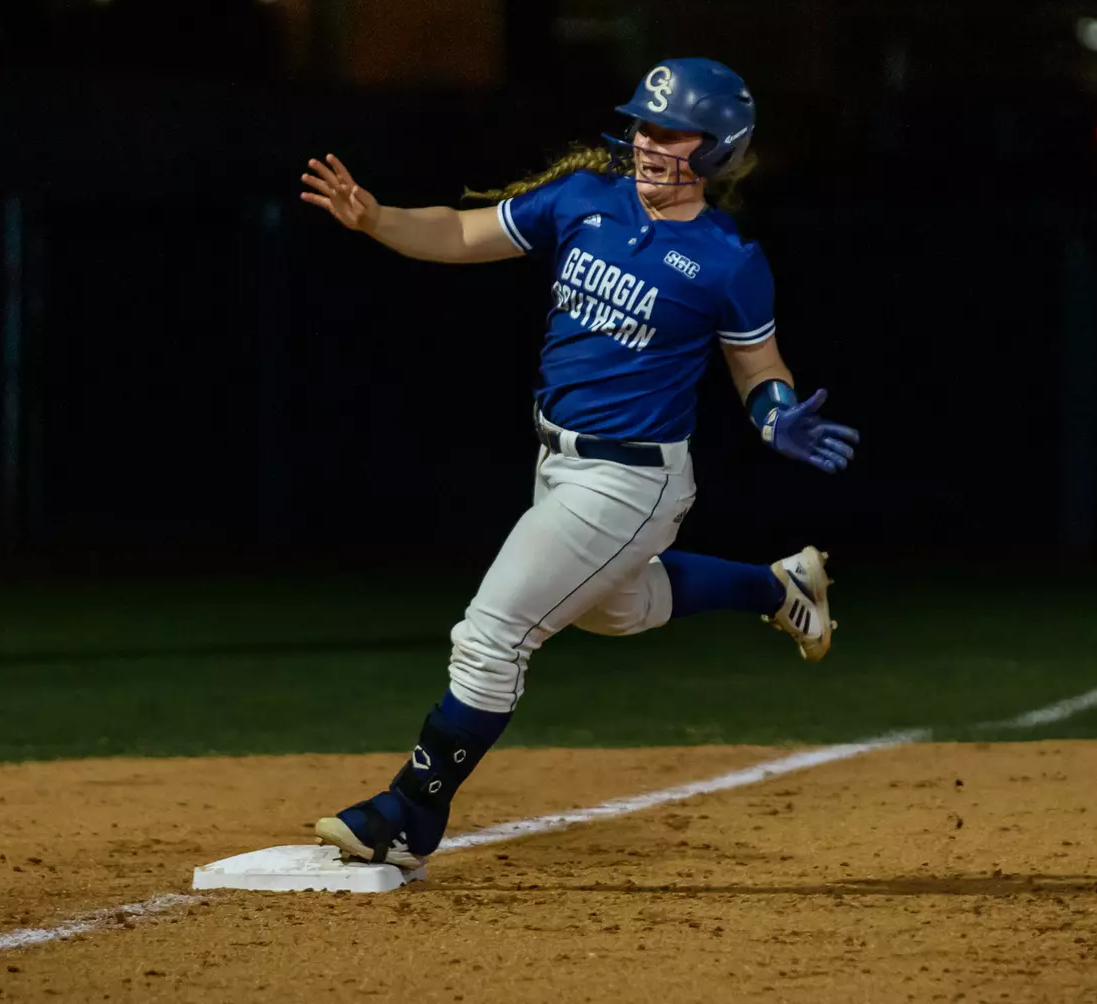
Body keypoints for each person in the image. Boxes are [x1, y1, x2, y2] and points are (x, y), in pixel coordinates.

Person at [297, 58, 860, 869]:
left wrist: (776, 416)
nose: (646, 141)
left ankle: (407, 815)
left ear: (718, 148)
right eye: (642, 124)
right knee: (614, 609)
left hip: (634, 479)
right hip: (558, 462)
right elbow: (462, 231)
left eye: (669, 131)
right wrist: (377, 217)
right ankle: (778, 587)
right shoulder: (585, 199)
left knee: (491, 635)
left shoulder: (727, 259)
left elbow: (758, 368)